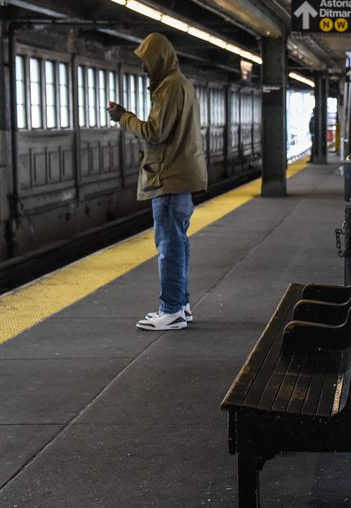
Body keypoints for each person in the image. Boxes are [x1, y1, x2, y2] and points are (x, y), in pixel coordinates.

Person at [107, 33, 207, 331]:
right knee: (178, 243)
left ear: (159, 59)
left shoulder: (169, 87)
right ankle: (180, 305)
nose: (144, 69)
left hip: (169, 176)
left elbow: (154, 132)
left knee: (169, 246)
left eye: (146, 62)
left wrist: (123, 117)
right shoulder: (182, 85)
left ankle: (172, 309)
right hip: (179, 175)